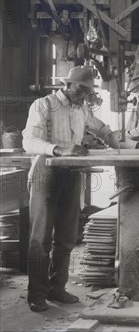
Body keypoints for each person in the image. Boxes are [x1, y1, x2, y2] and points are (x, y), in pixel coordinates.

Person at [22, 66, 120, 312]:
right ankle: (37, 294)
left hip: (71, 173)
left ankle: (57, 289)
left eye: (88, 91)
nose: (85, 95)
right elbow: (29, 141)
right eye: (82, 90)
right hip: (47, 172)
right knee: (40, 239)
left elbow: (102, 129)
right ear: (68, 85)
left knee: (66, 238)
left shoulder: (81, 110)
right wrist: (59, 149)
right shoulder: (43, 105)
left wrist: (121, 143)